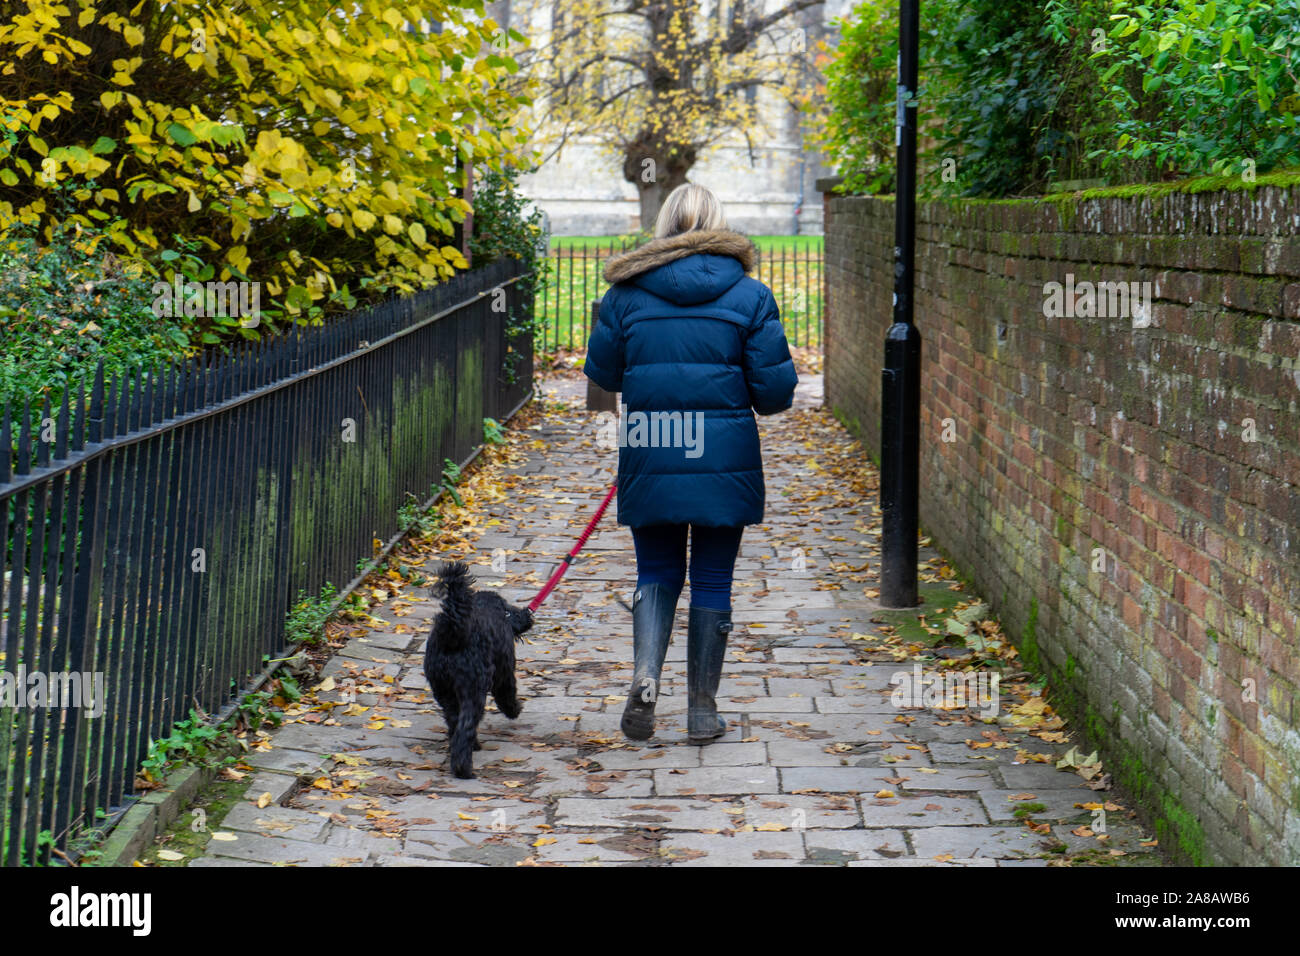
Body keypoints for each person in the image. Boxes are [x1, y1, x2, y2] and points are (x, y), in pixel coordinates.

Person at [584, 183, 798, 744]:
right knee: (711, 577)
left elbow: (603, 377)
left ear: (664, 224)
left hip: (651, 447)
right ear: (718, 225)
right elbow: (775, 395)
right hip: (723, 460)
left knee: (655, 573)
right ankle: (702, 709)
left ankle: (646, 676)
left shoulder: (624, 296)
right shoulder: (750, 297)